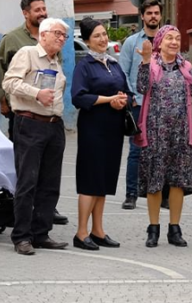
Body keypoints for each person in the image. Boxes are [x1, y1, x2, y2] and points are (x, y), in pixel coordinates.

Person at [135, 25, 192, 247]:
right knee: (155, 181)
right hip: (156, 132)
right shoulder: (151, 64)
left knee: (178, 181)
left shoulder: (184, 66)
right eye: (169, 38)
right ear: (160, 41)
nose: (174, 42)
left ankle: (174, 229)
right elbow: (141, 86)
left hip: (181, 132)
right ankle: (153, 228)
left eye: (177, 38)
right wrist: (147, 60)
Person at [0, 0, 68, 226]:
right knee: (27, 182)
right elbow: (8, 82)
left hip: (53, 126)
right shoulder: (26, 51)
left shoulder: (55, 60)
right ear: (43, 35)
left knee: (50, 184)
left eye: (64, 36)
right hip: (29, 123)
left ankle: (41, 233)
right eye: (57, 34)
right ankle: (22, 235)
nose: (62, 39)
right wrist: (35, 93)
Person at [71, 18, 131, 250]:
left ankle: (98, 230)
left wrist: (122, 101)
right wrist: (109, 100)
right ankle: (81, 232)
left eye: (104, 34)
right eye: (97, 36)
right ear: (87, 40)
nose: (103, 39)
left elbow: (125, 90)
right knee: (90, 180)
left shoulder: (113, 64)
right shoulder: (84, 66)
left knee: (104, 180)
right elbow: (78, 97)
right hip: (93, 128)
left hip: (113, 128)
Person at [118, 0, 163, 210]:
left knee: (161, 150)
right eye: (149, 13)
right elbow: (123, 73)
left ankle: (159, 194)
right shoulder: (131, 43)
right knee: (136, 151)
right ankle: (131, 194)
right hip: (138, 104)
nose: (153, 16)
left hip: (163, 105)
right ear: (143, 16)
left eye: (156, 13)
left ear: (160, 16)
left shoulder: (167, 41)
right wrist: (132, 96)